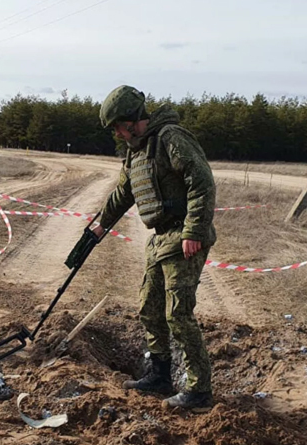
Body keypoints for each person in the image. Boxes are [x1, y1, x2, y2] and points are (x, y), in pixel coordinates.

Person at [91, 85, 217, 411]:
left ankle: (199, 391)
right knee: (150, 306)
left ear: (134, 118)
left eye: (119, 126)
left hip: (183, 236)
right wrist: (102, 223)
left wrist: (195, 230)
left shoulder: (171, 138)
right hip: (160, 237)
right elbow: (123, 192)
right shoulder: (137, 150)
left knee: (178, 313)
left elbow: (201, 180)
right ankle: (159, 375)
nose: (118, 133)